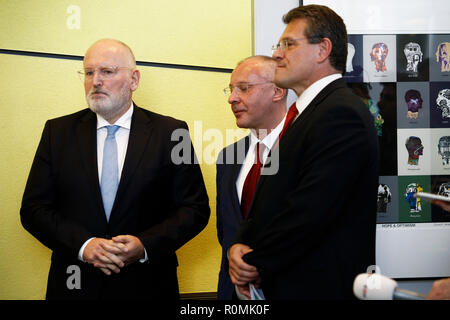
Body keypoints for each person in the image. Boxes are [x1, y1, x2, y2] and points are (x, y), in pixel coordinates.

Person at [20, 39, 210, 300]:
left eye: (107, 72)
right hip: (75, 286)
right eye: (88, 72)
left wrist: (145, 245)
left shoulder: (172, 133)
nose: (96, 81)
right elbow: (33, 209)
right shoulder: (58, 132)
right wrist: (84, 246)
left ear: (134, 80)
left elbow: (194, 209)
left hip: (148, 285)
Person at [228, 5, 379, 299]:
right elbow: (271, 199)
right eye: (278, 45)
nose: (277, 54)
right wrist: (239, 243)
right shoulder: (305, 114)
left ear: (322, 49)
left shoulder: (341, 114)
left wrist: (253, 263)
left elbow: (310, 210)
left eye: (288, 44)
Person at [216, 56, 287, 299]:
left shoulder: (304, 153)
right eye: (231, 89)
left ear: (277, 91)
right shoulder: (227, 158)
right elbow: (225, 233)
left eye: (244, 88)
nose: (232, 98)